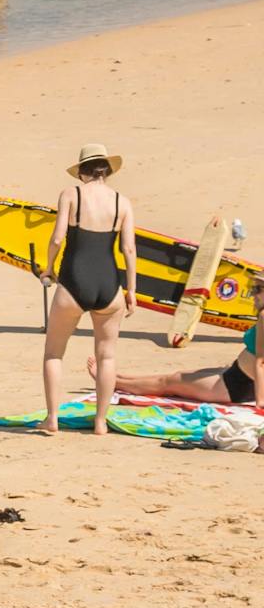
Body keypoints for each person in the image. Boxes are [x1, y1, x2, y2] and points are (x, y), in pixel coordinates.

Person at [40, 144, 137, 435]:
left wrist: (49, 268)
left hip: (73, 280)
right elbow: (129, 249)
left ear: (81, 171)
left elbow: (58, 238)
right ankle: (100, 422)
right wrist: (131, 289)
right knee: (107, 356)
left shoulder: (72, 194)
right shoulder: (123, 202)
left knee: (54, 354)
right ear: (107, 171)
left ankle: (53, 418)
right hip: (109, 284)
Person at [107, 278, 264, 406]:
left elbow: (260, 362)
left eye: (258, 289)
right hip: (240, 377)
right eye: (253, 288)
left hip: (236, 386)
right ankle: (121, 377)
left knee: (169, 382)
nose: (252, 294)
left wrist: (260, 401)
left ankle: (115, 383)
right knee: (179, 376)